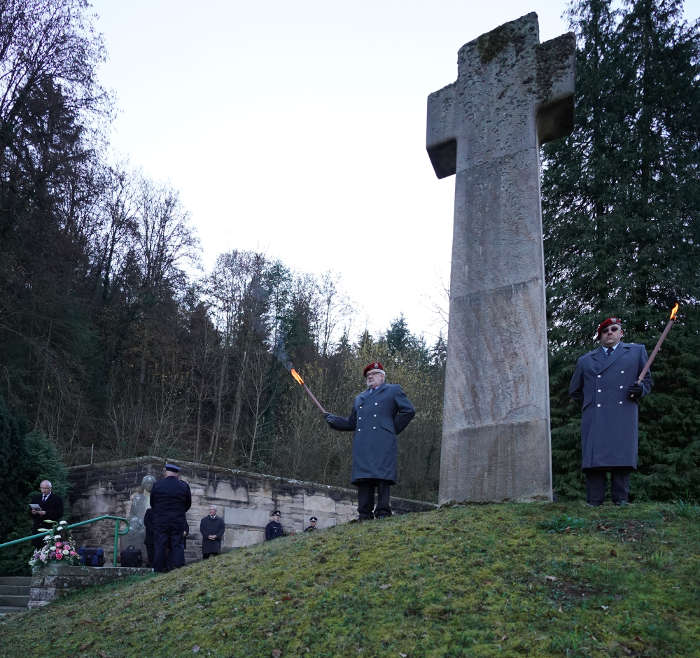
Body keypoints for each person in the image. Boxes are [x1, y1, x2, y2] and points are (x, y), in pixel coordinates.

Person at [569, 317, 652, 506]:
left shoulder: (636, 352)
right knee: (594, 459)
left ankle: (621, 500)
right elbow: (575, 391)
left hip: (623, 412)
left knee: (621, 456)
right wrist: (591, 405)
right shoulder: (585, 360)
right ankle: (594, 500)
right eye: (605, 331)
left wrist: (641, 390)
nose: (609, 333)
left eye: (614, 329)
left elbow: (647, 381)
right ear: (600, 336)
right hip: (595, 415)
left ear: (621, 333)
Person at [325, 361, 415, 520]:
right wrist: (334, 420)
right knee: (363, 479)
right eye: (368, 376)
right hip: (363, 445)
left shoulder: (393, 390)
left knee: (382, 477)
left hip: (383, 442)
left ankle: (382, 512)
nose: (369, 377)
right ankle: (364, 514)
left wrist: (391, 429)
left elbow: (409, 410)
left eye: (373, 374)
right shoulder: (360, 398)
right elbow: (352, 423)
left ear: (382, 376)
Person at [149, 463, 192, 572]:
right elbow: (187, 504)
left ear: (166, 472)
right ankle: (177, 569)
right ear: (177, 473)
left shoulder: (157, 485)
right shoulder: (183, 486)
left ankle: (159, 570)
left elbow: (152, 503)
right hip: (177, 521)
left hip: (160, 521)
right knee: (177, 544)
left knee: (160, 545)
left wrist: (160, 513)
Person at [29, 480, 64, 548]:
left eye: (46, 488)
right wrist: (32, 512)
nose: (43, 490)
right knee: (38, 550)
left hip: (50, 529)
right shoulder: (36, 498)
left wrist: (46, 513)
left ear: (50, 488)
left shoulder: (57, 499)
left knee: (50, 549)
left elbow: (60, 513)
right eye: (42, 488)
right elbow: (29, 513)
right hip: (37, 529)